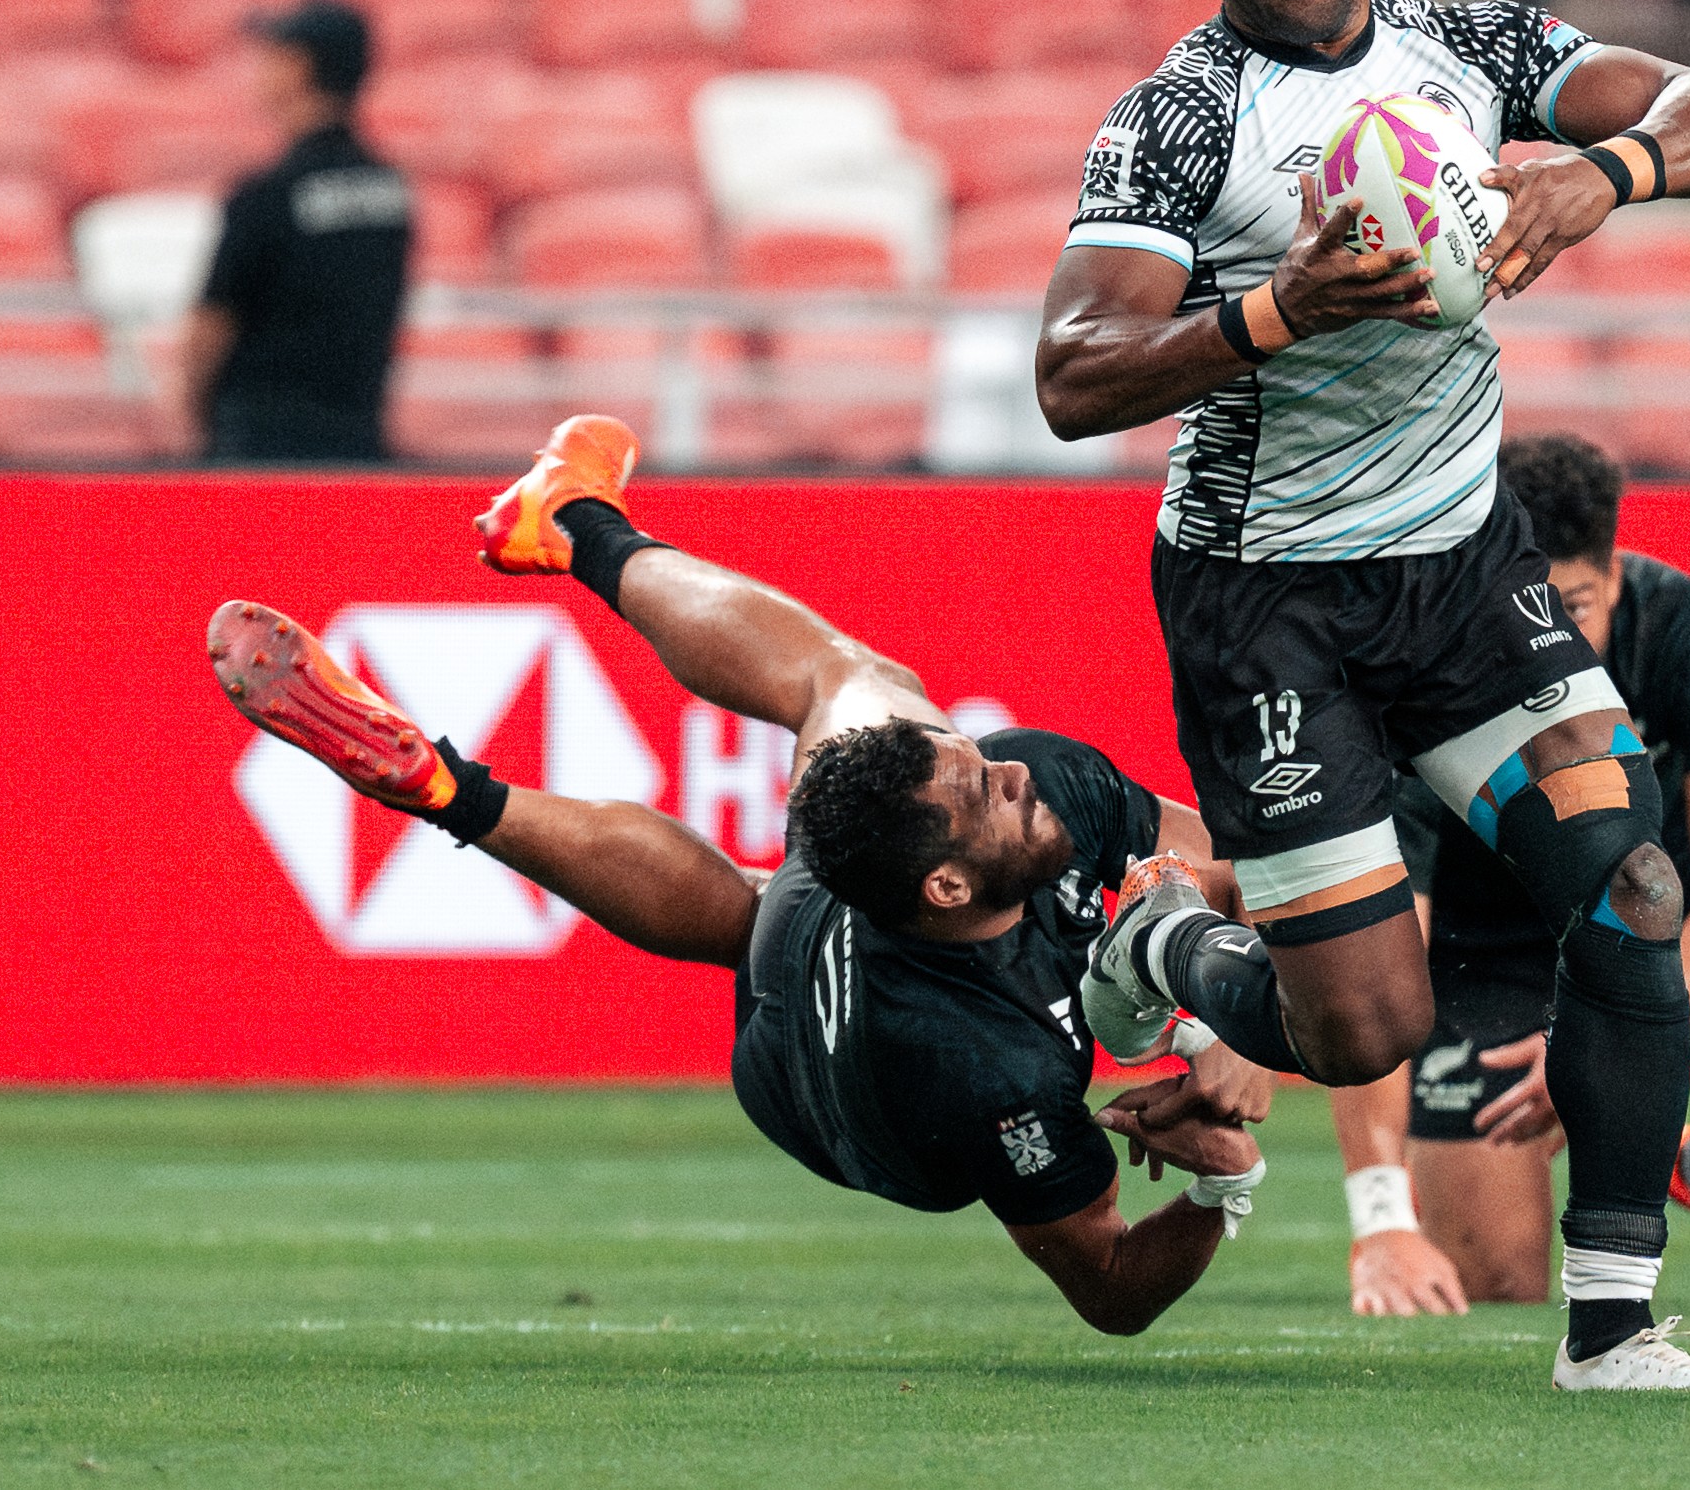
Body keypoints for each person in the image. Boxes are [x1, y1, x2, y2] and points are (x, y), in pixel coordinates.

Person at [1034, 0, 1690, 1390]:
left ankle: (1612, 1331)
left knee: (1637, 889)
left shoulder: (1482, 55)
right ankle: (1159, 950)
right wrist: (1279, 312)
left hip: (1461, 570)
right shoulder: (1179, 123)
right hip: (1264, 601)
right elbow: (1074, 373)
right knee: (1363, 1030)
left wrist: (1609, 173)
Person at [207, 415, 1276, 1336]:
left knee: (850, 697)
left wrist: (1220, 1013)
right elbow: (1114, 1287)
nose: (1006, 766)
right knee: (770, 909)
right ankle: (563, 547)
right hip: (820, 1102)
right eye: (983, 789)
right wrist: (1222, 1181)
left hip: (822, 920)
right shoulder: (987, 1070)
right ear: (949, 888)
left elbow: (1215, 873)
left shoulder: (1023, 788)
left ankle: (462, 764)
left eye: (981, 760)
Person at [1336, 435, 1690, 1319]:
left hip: (1655, 925)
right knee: (1497, 1285)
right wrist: (1379, 1216)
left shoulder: (1688, 630)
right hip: (1487, 960)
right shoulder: (1421, 672)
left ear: (1616, 568)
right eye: (1525, 610)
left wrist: (1602, 1043)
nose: (1549, 642)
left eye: (1576, 606)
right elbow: (1371, 955)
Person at [185, 0, 412, 464]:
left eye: (272, 56)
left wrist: (195, 427)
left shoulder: (267, 195)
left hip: (259, 451)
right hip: (357, 446)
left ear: (298, 69)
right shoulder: (391, 192)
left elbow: (209, 331)